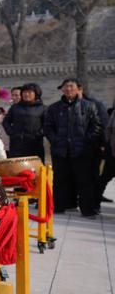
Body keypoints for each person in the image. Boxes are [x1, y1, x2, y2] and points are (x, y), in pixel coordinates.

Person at [44, 78, 104, 218]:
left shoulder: (89, 106)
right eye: (65, 87)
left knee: (85, 181)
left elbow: (97, 126)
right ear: (62, 89)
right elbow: (48, 127)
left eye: (71, 86)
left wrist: (86, 141)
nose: (68, 89)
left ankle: (88, 210)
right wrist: (56, 140)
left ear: (78, 89)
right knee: (60, 180)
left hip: (82, 150)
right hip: (61, 150)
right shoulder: (54, 108)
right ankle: (59, 206)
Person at [2, 83, 46, 160]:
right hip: (17, 144)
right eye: (24, 92)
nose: (26, 94)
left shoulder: (42, 108)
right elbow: (6, 122)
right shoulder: (15, 107)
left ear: (36, 93)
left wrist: (38, 134)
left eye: (29, 92)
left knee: (35, 168)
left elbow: (47, 125)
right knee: (17, 168)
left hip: (34, 144)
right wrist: (11, 133)